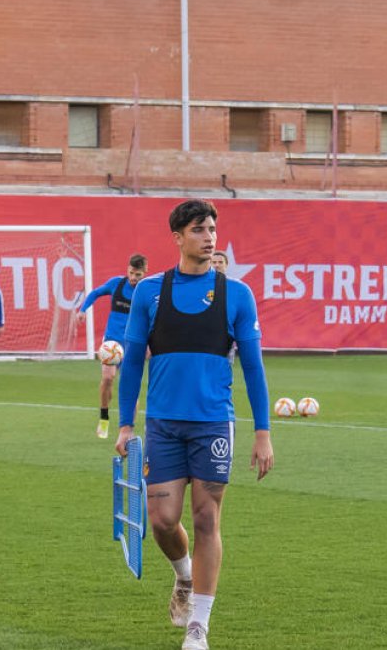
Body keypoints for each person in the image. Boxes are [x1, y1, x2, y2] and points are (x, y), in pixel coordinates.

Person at [115, 199, 275, 650]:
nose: (209, 237)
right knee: (162, 520)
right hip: (163, 425)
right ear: (178, 237)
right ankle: (184, 575)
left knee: (206, 519)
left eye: (213, 230)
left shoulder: (236, 295)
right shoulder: (150, 292)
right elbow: (131, 365)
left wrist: (263, 432)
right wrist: (125, 426)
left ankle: (198, 626)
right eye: (200, 230)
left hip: (213, 426)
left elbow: (254, 368)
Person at [75, 253, 147, 438]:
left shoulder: (146, 291)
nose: (133, 278)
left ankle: (127, 427)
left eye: (137, 275)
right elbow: (95, 293)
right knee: (108, 378)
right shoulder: (117, 283)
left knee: (130, 387)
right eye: (131, 273)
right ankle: (104, 418)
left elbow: (153, 319)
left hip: (132, 344)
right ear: (127, 270)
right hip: (112, 343)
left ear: (144, 273)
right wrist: (83, 309)